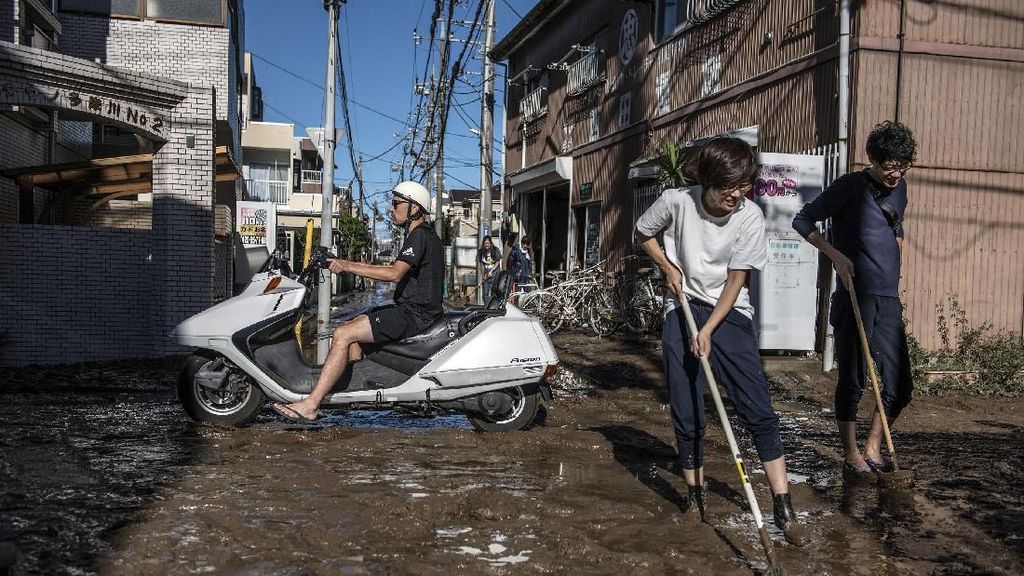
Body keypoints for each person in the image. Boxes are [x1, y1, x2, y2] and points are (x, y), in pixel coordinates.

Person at [634, 137, 805, 544]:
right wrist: (667, 266)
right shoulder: (677, 201)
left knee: (757, 407)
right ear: (706, 181)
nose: (736, 194)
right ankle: (695, 498)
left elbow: (736, 279)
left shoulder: (749, 216)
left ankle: (783, 505)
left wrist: (708, 330)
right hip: (681, 305)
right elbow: (642, 232)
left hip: (727, 312)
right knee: (688, 407)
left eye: (743, 185)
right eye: (728, 186)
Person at [792, 120, 916, 476]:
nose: (895, 173)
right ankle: (851, 455)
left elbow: (895, 226)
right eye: (889, 166)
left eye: (902, 165)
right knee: (854, 379)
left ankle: (873, 447)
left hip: (887, 296)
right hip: (854, 295)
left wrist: (894, 259)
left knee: (900, 385)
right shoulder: (850, 186)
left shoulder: (901, 188)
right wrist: (836, 255)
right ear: (873, 160)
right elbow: (804, 220)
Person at [272, 181, 444, 423]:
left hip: (415, 315)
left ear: (414, 209)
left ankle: (310, 405)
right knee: (352, 329)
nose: (391, 209)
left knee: (343, 334)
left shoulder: (420, 236)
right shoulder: (423, 236)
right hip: (412, 311)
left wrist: (347, 265)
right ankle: (347, 397)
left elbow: (394, 273)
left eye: (396, 204)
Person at [477, 236, 502, 301]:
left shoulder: (495, 250)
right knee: (485, 294)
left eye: (488, 243)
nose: (486, 245)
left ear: (490, 243)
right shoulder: (480, 252)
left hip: (495, 274)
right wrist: (481, 278)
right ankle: (486, 309)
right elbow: (481, 265)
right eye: (485, 243)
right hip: (486, 275)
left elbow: (497, 262)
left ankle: (492, 309)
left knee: (493, 293)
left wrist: (491, 271)